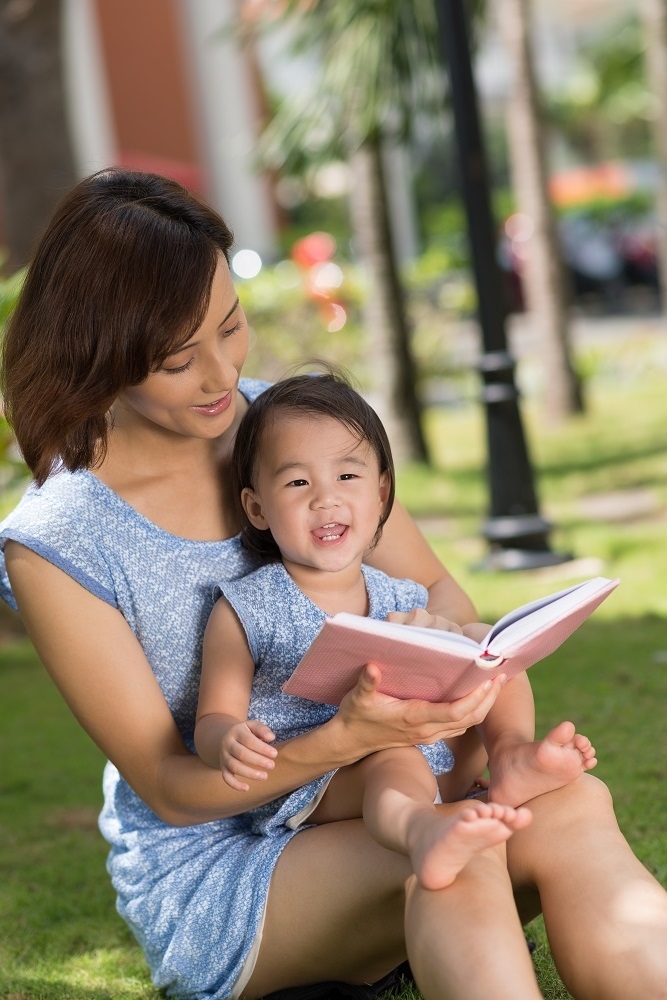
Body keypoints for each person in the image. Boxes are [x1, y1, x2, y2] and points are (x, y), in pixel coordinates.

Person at [0, 168, 665, 1000]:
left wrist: (448, 655)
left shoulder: (292, 429)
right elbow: (172, 790)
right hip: (229, 859)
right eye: (178, 358)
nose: (218, 377)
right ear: (97, 352)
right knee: (452, 859)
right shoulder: (59, 541)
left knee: (571, 807)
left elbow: (439, 591)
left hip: (391, 778)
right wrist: (344, 738)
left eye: (230, 326)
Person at [194, 370, 596, 891]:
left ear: (381, 494)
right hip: (320, 779)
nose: (326, 499)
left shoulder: (400, 596)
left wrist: (465, 659)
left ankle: (511, 753)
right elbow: (212, 718)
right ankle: (421, 830)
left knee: (480, 639)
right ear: (257, 508)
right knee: (394, 756)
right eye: (297, 482)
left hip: (431, 757)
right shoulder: (247, 609)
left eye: (347, 477)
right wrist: (228, 739)